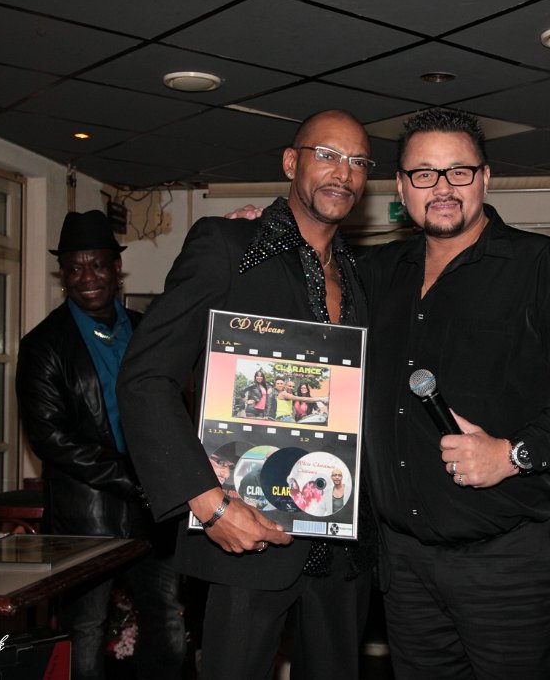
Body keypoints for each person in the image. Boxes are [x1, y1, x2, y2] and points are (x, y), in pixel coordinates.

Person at [360, 108, 550, 679]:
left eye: (458, 171)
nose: (442, 187)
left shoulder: (539, 267)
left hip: (507, 566)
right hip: (403, 566)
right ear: (401, 188)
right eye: (424, 173)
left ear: (485, 178)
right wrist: (258, 229)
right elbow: (304, 280)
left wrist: (513, 454)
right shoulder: (376, 272)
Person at [116, 109, 378, 680]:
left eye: (358, 162)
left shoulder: (362, 276)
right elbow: (145, 378)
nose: (343, 173)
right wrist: (208, 505)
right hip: (246, 533)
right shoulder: (228, 245)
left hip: (342, 550)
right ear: (290, 162)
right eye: (327, 155)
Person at [15, 210, 185, 680]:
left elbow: (175, 407)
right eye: (74, 268)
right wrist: (134, 479)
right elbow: (51, 438)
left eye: (97, 265)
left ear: (116, 267)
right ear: (63, 274)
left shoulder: (147, 330)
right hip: (85, 517)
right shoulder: (43, 345)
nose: (87, 277)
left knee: (167, 618)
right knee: (85, 628)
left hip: (157, 512)